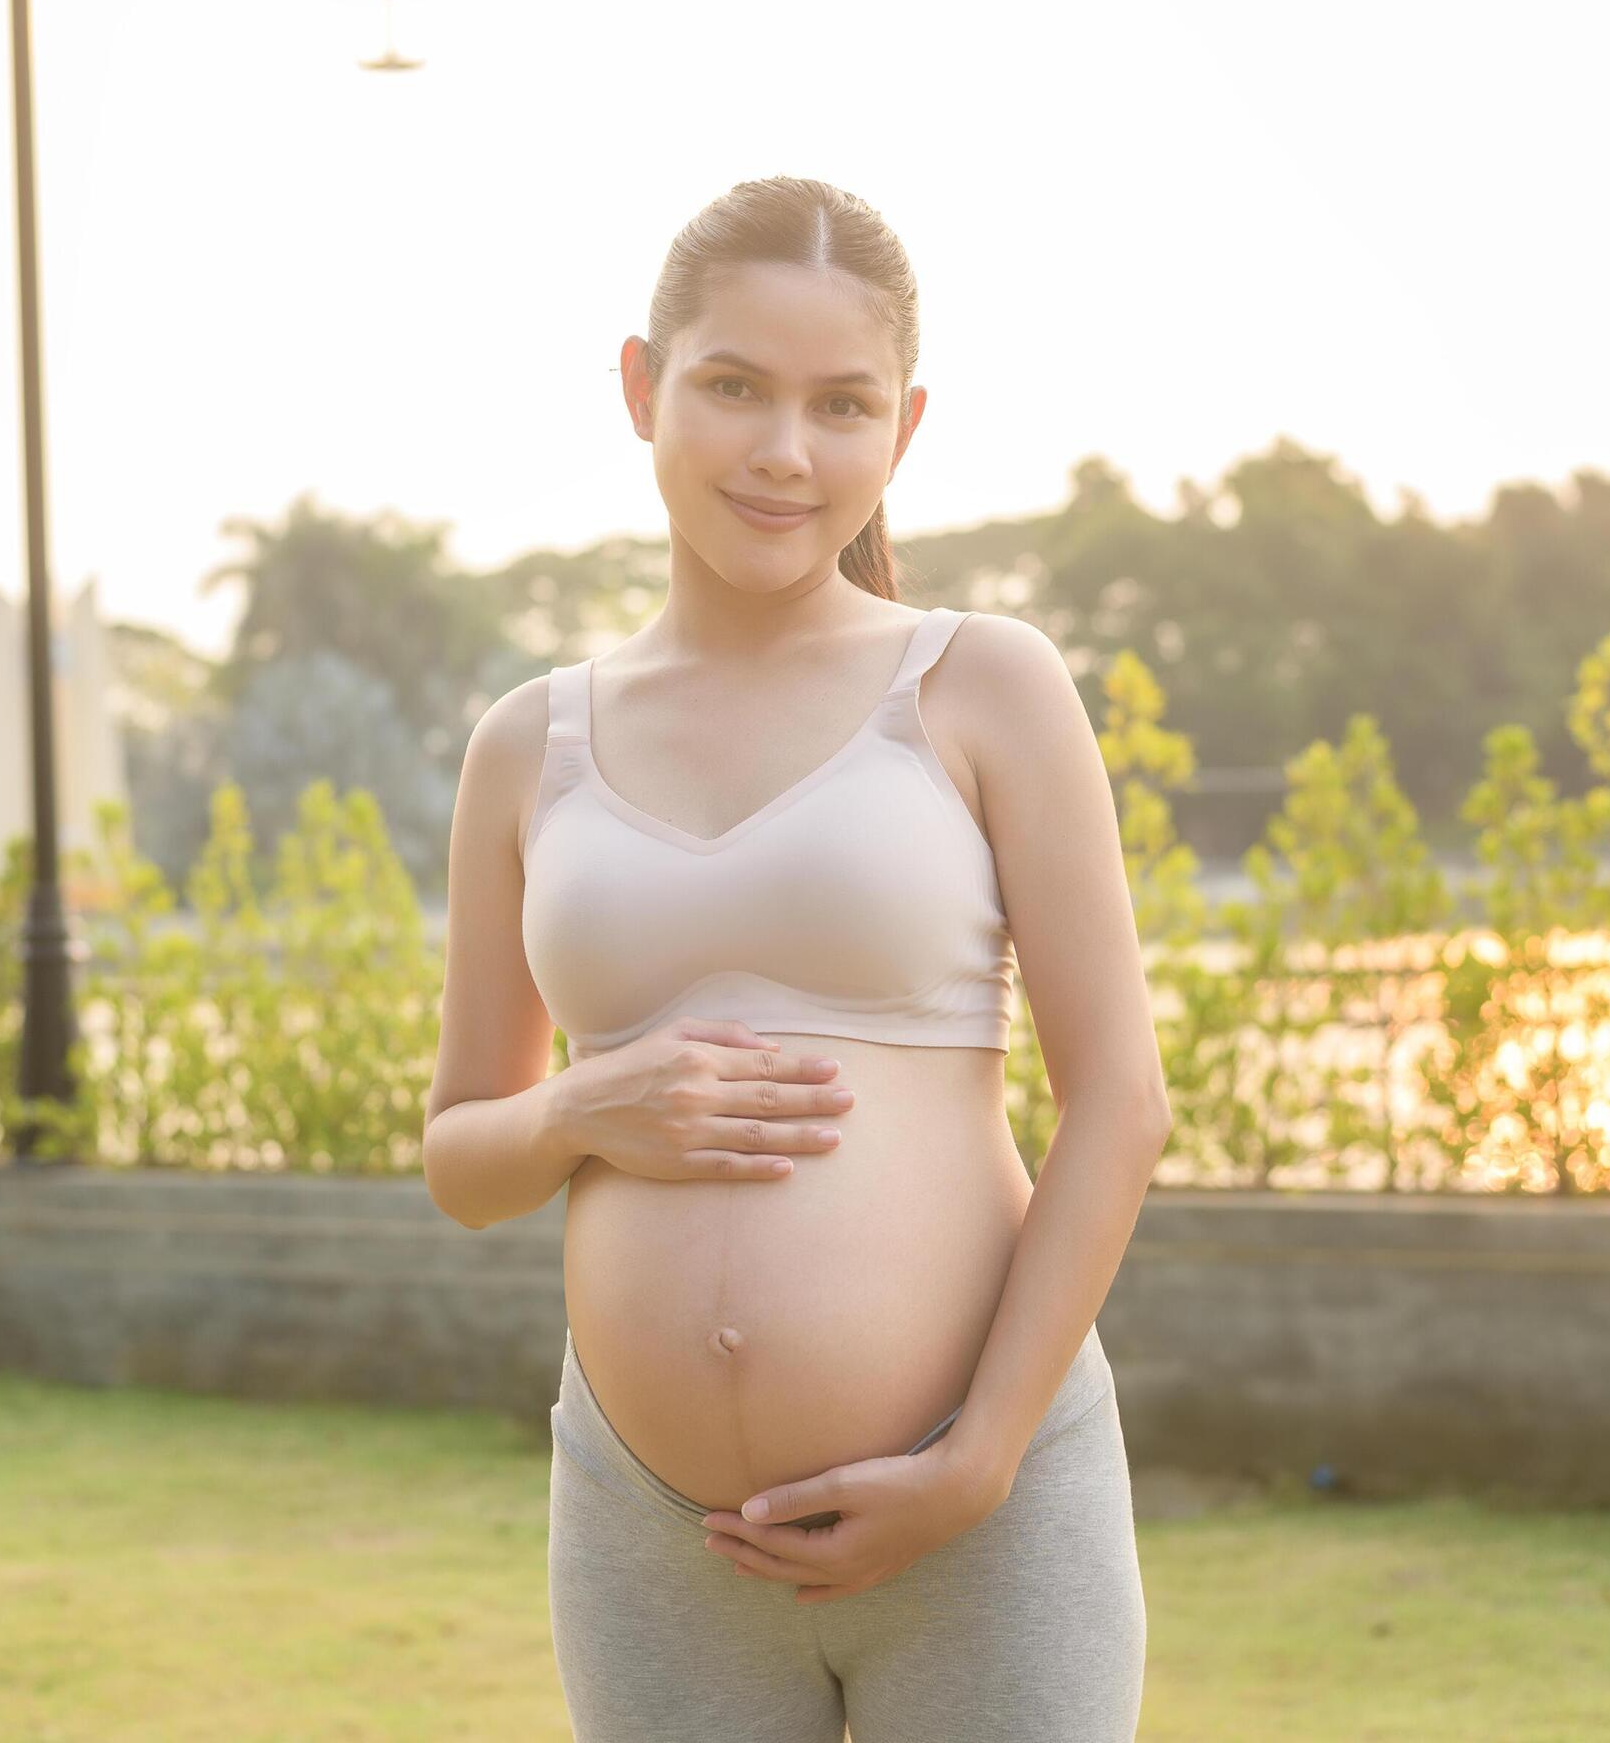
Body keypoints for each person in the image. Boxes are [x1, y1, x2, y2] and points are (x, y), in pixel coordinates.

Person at [421, 176, 1170, 1741]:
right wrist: (574, 1114)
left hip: (983, 1507)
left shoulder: (983, 688)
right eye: (733, 388)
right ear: (640, 387)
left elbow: (1118, 1104)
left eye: (842, 406)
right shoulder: (525, 747)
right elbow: (461, 1158)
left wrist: (977, 1460)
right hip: (651, 1530)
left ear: (902, 431)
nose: (784, 452)